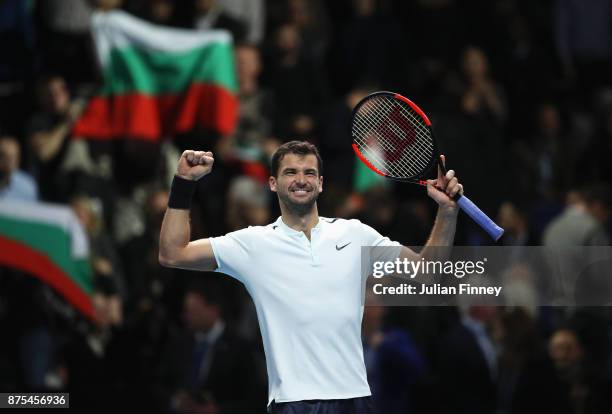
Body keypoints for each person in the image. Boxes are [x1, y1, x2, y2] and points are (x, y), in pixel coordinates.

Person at [159, 140, 464, 413]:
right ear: (272, 184)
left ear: (320, 184)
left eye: (308, 173)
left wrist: (447, 211)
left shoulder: (356, 234)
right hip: (293, 403)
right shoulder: (252, 243)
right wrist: (184, 182)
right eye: (290, 172)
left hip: (356, 400)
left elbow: (427, 274)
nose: (300, 180)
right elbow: (173, 253)